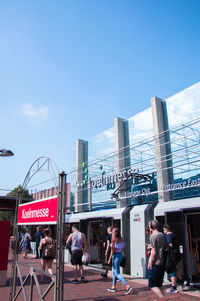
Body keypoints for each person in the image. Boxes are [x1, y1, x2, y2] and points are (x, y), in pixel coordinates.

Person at [107, 227, 133, 295]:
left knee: (117, 273)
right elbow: (121, 248)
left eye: (112, 231)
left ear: (114, 232)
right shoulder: (121, 239)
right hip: (120, 255)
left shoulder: (113, 239)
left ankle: (127, 286)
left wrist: (109, 258)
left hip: (115, 256)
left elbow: (112, 250)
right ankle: (113, 286)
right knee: (114, 272)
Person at [148, 220, 166, 299]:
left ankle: (163, 299)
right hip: (162, 262)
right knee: (159, 284)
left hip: (155, 262)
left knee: (152, 285)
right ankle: (161, 298)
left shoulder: (153, 236)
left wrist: (151, 263)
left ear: (151, 227)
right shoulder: (162, 234)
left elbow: (154, 252)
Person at [163, 224, 182, 294]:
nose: (163, 231)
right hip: (176, 255)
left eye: (164, 229)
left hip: (171, 256)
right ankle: (182, 281)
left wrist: (164, 249)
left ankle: (174, 287)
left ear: (167, 229)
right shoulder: (173, 235)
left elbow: (170, 245)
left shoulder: (168, 236)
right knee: (174, 270)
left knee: (172, 271)